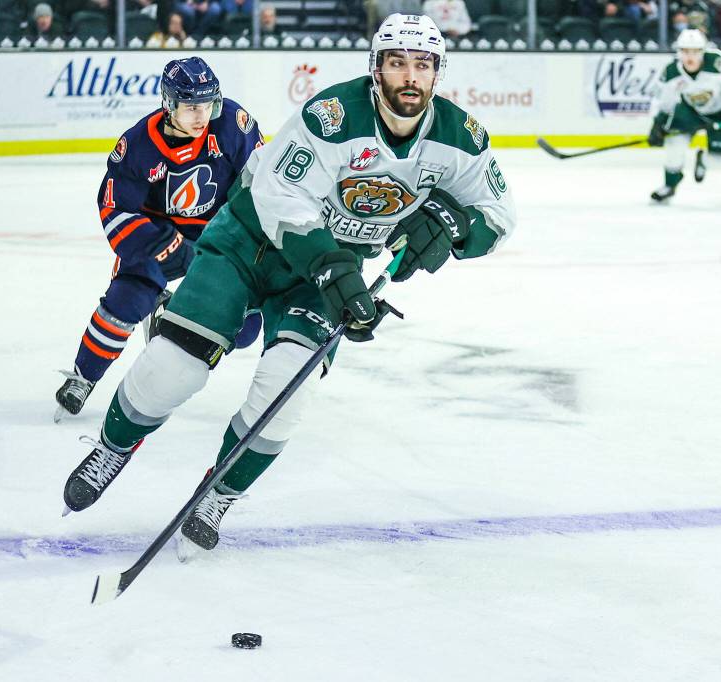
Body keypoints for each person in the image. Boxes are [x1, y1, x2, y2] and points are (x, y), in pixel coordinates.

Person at [61, 13, 516, 559]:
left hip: (329, 268)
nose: (410, 77)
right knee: (173, 367)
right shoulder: (331, 116)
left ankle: (219, 495)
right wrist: (329, 264)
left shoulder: (458, 138)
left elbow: (499, 214)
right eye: (397, 63)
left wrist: (457, 226)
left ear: (438, 73)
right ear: (376, 69)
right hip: (249, 244)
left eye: (423, 65)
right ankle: (115, 445)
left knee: (287, 391)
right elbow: (279, 195)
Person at [54, 57, 264, 421]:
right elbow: (116, 208)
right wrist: (163, 245)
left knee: (244, 330)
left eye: (209, 104)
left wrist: (245, 238)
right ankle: (83, 377)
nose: (203, 115)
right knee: (127, 300)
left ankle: (173, 324)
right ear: (169, 104)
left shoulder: (232, 124)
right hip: (158, 232)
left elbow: (261, 183)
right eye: (192, 107)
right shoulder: (138, 145)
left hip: (220, 229)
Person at [646, 29, 721, 202]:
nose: (690, 57)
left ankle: (703, 160)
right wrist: (657, 126)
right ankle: (669, 185)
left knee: (720, 159)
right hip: (691, 112)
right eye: (685, 51)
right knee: (674, 146)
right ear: (679, 52)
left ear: (703, 51)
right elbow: (662, 101)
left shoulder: (717, 63)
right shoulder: (671, 72)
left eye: (695, 52)